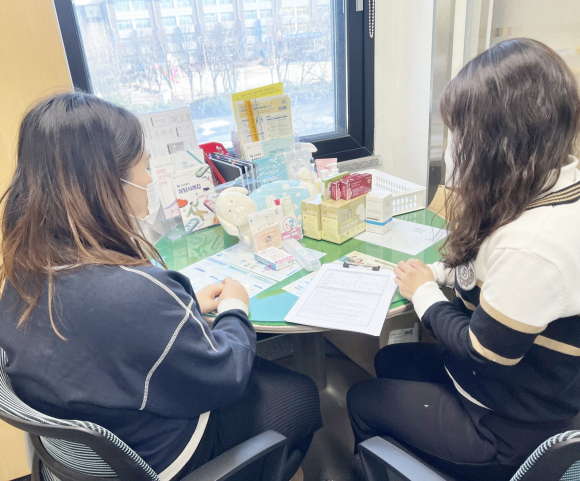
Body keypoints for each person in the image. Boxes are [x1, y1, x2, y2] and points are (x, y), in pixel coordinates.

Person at [0, 92, 321, 480]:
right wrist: (235, 307)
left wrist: (180, 309)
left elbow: (100, 332)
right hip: (165, 458)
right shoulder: (136, 292)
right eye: (145, 166)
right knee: (301, 395)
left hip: (99, 453)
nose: (150, 179)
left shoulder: (22, 273)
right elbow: (226, 376)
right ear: (107, 181)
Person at [348, 38, 580, 481]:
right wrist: (436, 273)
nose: (453, 147)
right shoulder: (545, 184)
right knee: (390, 362)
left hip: (505, 427)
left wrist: (424, 294)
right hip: (515, 386)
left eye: (458, 132)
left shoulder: (534, 246)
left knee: (361, 398)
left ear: (496, 141)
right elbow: (491, 269)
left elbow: (482, 351)